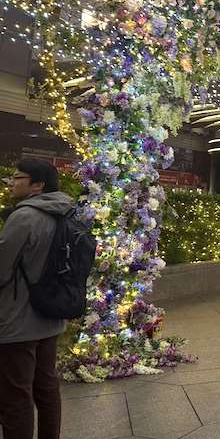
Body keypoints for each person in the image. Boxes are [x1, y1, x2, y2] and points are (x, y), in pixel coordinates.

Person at [0, 159, 73, 439]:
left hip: (18, 318)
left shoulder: (25, 216)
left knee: (15, 394)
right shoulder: (65, 212)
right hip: (51, 313)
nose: (12, 181)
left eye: (18, 177)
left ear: (37, 185)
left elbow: (2, 268)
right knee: (46, 387)